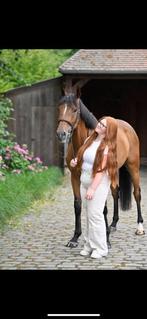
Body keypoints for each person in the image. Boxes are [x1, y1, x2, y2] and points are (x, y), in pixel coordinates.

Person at [70, 116, 118, 259]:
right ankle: (89, 245)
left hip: (98, 182)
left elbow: (101, 171)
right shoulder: (90, 140)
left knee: (95, 216)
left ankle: (101, 248)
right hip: (84, 178)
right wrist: (75, 161)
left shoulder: (107, 146)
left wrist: (92, 188)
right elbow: (83, 157)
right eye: (100, 123)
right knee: (88, 214)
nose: (100, 126)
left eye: (103, 126)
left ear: (108, 131)